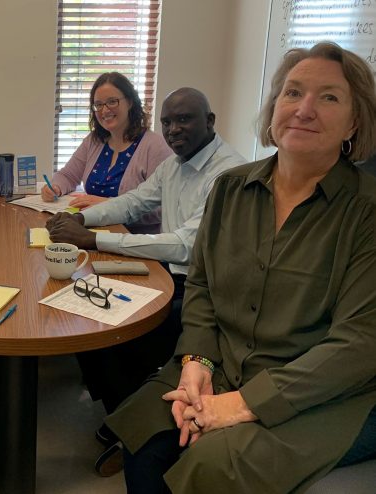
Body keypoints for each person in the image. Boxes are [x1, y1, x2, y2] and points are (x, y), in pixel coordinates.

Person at [109, 42, 376, 494]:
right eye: (292, 93)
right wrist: (196, 361)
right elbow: (202, 287)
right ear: (274, 109)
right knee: (145, 437)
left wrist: (244, 404)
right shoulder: (230, 189)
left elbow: (359, 344)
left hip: (318, 391)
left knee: (212, 465)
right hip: (221, 363)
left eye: (329, 97)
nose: (304, 109)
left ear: (354, 121)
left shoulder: (366, 212)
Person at [46, 87, 245, 476]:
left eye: (184, 119)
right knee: (84, 310)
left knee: (119, 331)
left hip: (205, 292)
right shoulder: (175, 164)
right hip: (166, 275)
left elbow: (188, 244)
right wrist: (82, 220)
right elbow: (135, 201)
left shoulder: (226, 173)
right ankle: (123, 416)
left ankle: (132, 426)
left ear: (210, 122)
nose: (173, 130)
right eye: (167, 121)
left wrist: (93, 239)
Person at [43, 72, 172, 233]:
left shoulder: (154, 146)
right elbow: (68, 175)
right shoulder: (94, 141)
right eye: (98, 104)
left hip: (133, 241)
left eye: (112, 102)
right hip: (92, 233)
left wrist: (108, 205)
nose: (104, 111)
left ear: (130, 102)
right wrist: (55, 187)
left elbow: (163, 208)